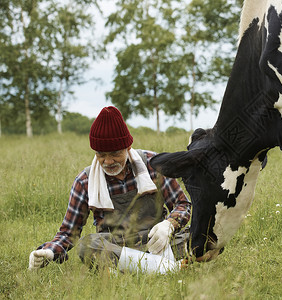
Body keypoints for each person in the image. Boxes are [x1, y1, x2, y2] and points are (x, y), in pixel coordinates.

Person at [28, 106, 191, 271]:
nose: (108, 161)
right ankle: (169, 267)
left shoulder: (153, 164)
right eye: (101, 154)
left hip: (157, 241)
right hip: (117, 249)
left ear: (127, 148)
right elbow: (69, 233)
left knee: (203, 237)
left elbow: (182, 204)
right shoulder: (84, 181)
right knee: (88, 246)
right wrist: (49, 251)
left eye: (115, 153)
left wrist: (169, 225)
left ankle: (141, 268)